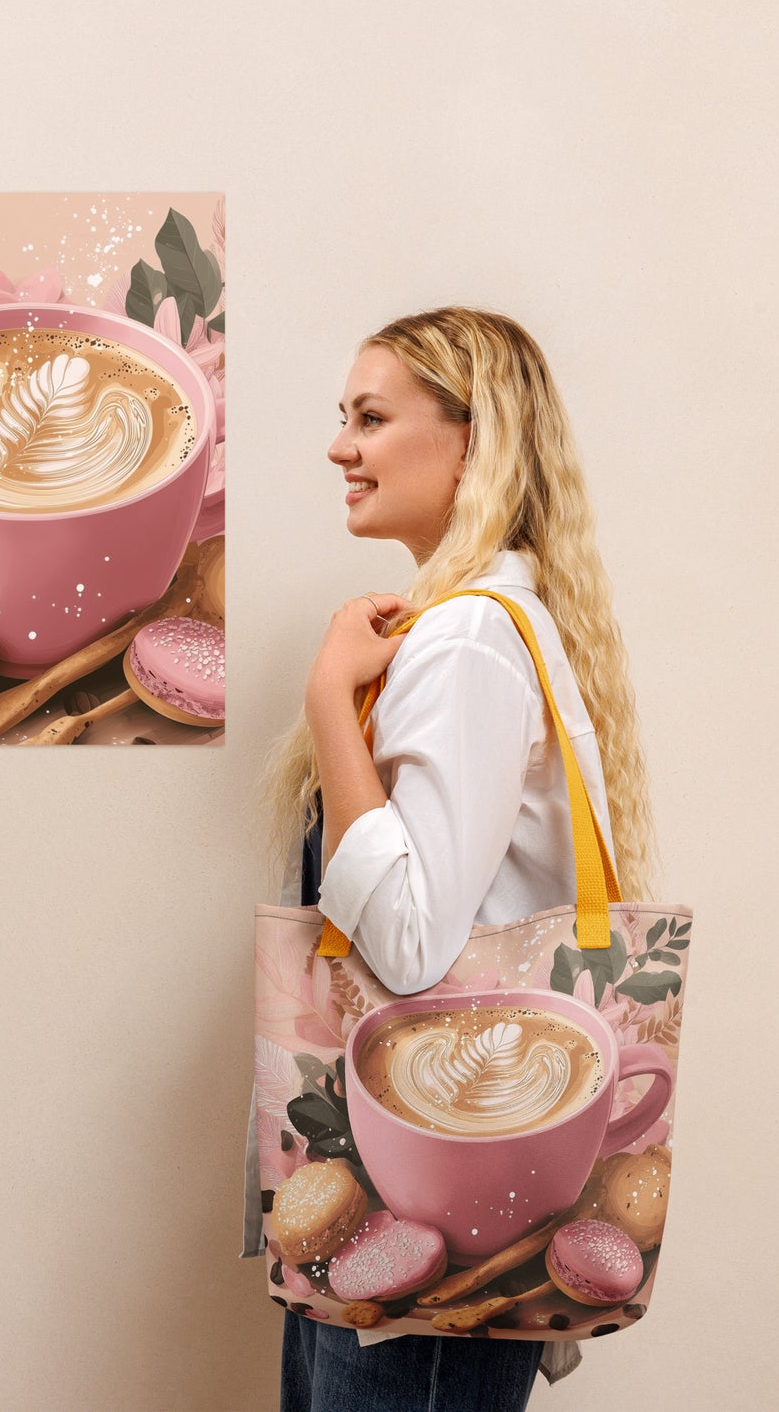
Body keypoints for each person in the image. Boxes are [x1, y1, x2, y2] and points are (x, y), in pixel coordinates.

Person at [243, 306, 661, 1411]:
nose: (339, 445)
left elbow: (411, 947)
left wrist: (330, 698)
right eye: (343, 418)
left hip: (427, 1214)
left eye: (370, 417)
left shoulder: (467, 636)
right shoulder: (475, 622)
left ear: (473, 440)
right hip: (435, 1195)